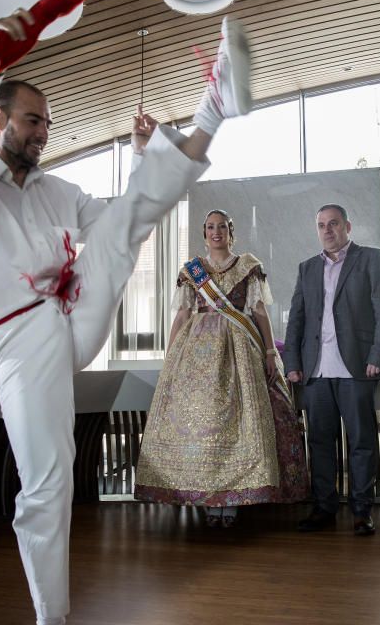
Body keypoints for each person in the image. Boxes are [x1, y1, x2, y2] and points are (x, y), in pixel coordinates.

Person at [0, 0, 252, 625]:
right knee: (48, 484)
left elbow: (124, 224)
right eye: (30, 121)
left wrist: (140, 161)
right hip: (15, 343)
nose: (43, 132)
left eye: (46, 122)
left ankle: (215, 106)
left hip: (69, 317)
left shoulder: (58, 191)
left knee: (123, 227)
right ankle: (54, 617)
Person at [134, 209, 309, 525]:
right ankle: (210, 502)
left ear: (232, 231)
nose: (216, 232)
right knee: (203, 428)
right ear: (204, 233)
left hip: (240, 353)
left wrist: (270, 350)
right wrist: (170, 358)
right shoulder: (193, 271)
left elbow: (258, 312)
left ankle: (234, 502)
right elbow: (183, 316)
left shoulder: (248, 267)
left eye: (222, 227)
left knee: (236, 424)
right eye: (210, 227)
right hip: (196, 358)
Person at [283, 204, 380, 536]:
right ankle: (324, 508)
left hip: (359, 366)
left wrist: (379, 353)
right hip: (315, 371)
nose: (327, 230)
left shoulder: (371, 259)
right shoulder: (307, 269)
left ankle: (362, 511)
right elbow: (297, 321)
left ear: (347, 225)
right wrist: (293, 363)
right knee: (319, 442)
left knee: (361, 442)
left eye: (333, 223)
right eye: (321, 225)